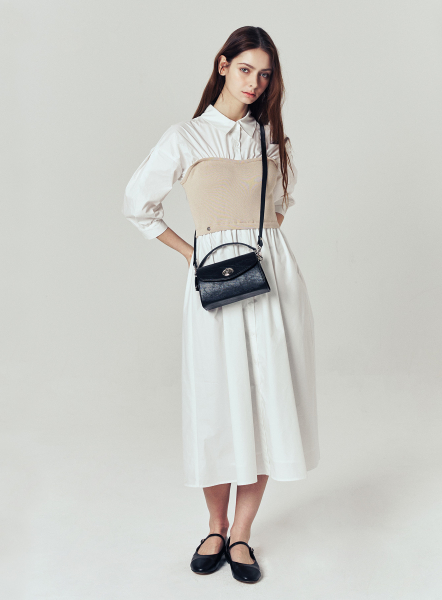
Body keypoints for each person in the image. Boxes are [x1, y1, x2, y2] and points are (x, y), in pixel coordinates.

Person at [122, 26, 320, 584]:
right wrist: (195, 254)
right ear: (223, 65)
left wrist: (260, 244)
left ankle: (242, 534)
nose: (255, 83)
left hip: (271, 280)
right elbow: (138, 203)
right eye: (245, 69)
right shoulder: (185, 136)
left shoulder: (268, 139)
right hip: (215, 283)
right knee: (216, 403)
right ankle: (215, 525)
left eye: (265, 74)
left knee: (266, 403)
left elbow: (279, 205)